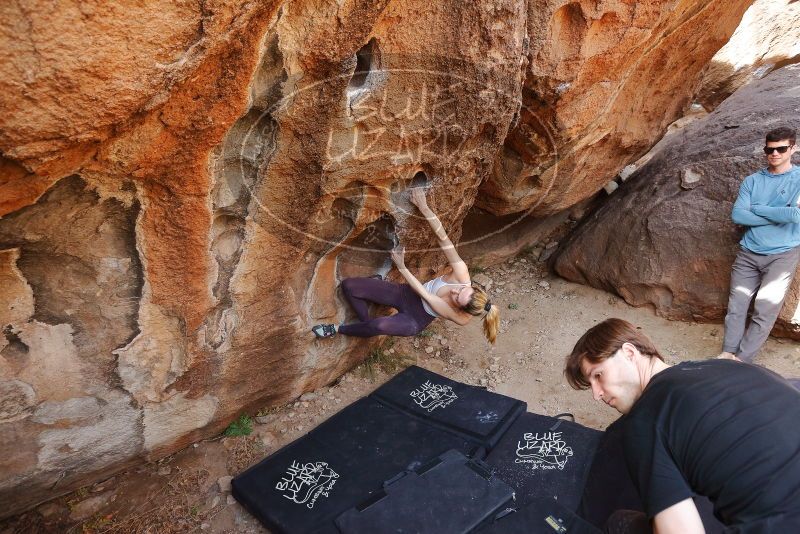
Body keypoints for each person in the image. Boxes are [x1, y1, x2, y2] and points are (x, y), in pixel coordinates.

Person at [565, 318, 800, 534]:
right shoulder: (726, 368)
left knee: (621, 523)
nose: (597, 394)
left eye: (598, 375)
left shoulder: (645, 421)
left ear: (629, 352)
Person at [312, 188, 500, 342]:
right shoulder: (461, 274)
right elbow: (444, 240)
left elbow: (425, 295)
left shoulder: (461, 318)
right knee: (350, 287)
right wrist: (424, 208)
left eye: (458, 298)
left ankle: (337, 329)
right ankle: (365, 326)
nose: (455, 292)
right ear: (472, 287)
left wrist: (402, 267)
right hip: (406, 294)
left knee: (379, 326)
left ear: (462, 309)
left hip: (415, 318)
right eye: (461, 290)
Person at [719, 126, 800, 362]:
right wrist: (780, 213)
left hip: (782, 255)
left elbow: (796, 217)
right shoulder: (752, 181)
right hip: (748, 252)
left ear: (793, 148)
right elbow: (738, 216)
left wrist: (757, 209)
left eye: (781, 149)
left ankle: (742, 361)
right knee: (736, 306)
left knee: (764, 310)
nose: (774, 154)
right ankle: (727, 353)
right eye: (770, 149)